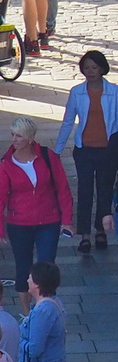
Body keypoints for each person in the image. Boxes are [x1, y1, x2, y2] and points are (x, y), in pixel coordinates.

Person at [0, 116, 73, 305]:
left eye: (19, 136)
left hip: (48, 221)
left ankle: (44, 308)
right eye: (12, 135)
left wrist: (67, 220)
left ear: (30, 138)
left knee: (46, 268)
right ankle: (26, 313)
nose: (14, 139)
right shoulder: (7, 163)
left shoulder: (47, 157)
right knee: (23, 269)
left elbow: (63, 188)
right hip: (19, 223)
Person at [56, 50, 116, 251]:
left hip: (108, 150)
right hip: (84, 149)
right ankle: (85, 234)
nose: (90, 71)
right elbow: (67, 121)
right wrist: (58, 150)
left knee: (104, 190)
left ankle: (100, 230)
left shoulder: (114, 92)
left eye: (94, 67)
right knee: (85, 190)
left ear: (102, 69)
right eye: (86, 67)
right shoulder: (77, 92)